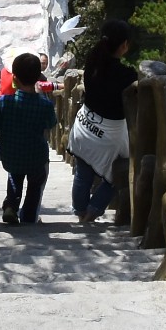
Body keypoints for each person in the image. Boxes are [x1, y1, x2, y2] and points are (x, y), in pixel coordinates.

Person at [65, 19, 138, 225]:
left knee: (82, 174)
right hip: (108, 135)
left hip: (84, 126)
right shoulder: (126, 75)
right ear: (124, 45)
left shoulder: (92, 63)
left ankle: (81, 214)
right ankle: (92, 212)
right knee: (117, 175)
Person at [0, 53, 56, 224]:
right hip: (36, 155)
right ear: (38, 77)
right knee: (35, 184)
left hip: (10, 154)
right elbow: (51, 123)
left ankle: (11, 206)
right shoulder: (45, 104)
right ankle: (29, 216)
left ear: (14, 78)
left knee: (15, 175)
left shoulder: (4, 102)